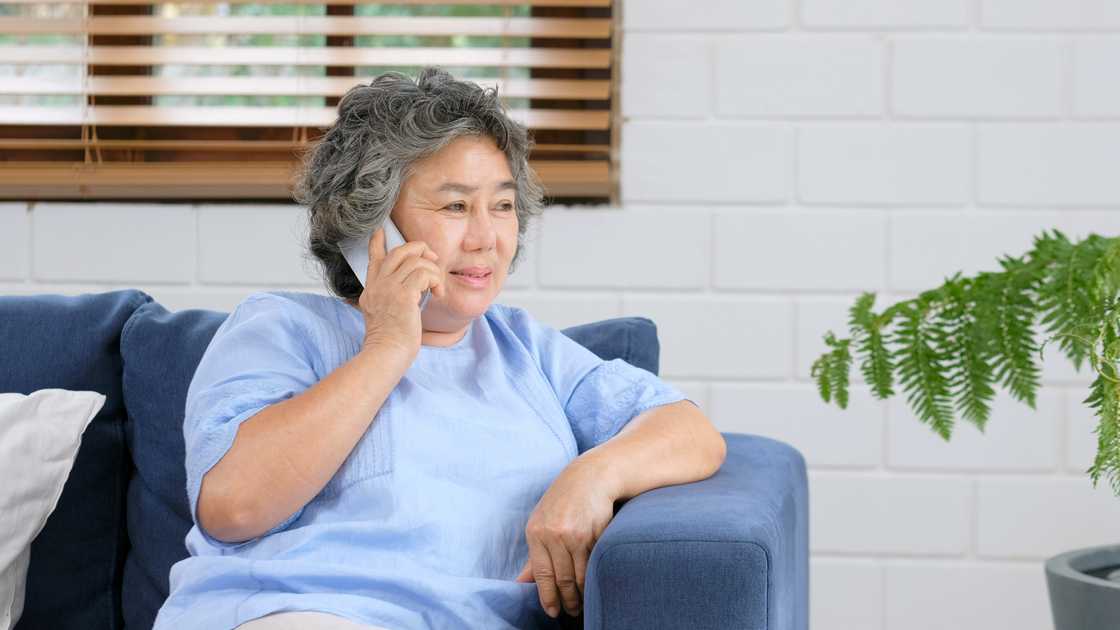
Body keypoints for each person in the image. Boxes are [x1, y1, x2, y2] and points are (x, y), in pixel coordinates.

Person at [153, 67, 726, 630]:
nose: (485, 237)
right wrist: (387, 346)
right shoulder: (280, 329)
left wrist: (592, 477)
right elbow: (234, 508)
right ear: (370, 226)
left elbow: (689, 432)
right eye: (455, 206)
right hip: (295, 613)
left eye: (501, 206)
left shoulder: (527, 350)